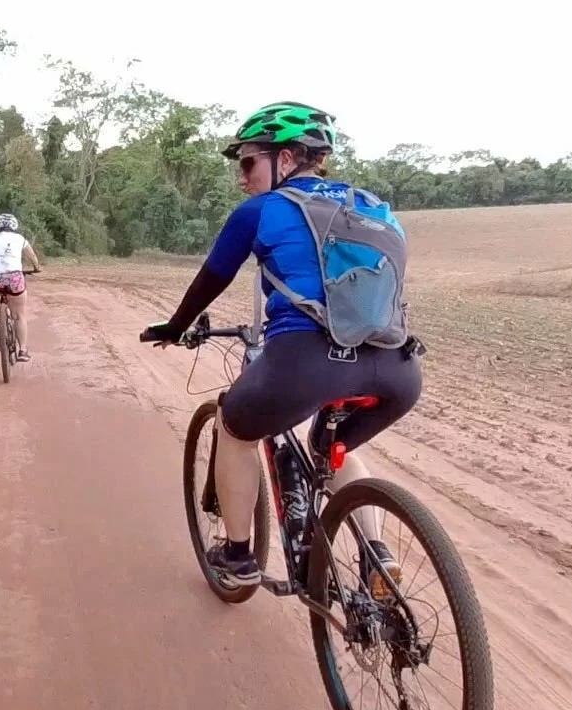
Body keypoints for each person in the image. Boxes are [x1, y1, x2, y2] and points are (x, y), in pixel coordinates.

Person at [141, 101, 423, 592]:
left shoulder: (262, 210)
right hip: (397, 368)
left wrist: (174, 327)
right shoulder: (375, 209)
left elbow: (212, 278)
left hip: (307, 363)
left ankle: (237, 556)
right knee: (331, 447)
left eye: (248, 162)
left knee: (235, 428)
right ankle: (377, 555)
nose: (241, 177)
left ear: (287, 159)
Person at [0, 212, 42, 362]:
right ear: (15, 226)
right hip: (14, 279)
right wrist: (36, 267)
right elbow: (32, 257)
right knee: (19, 315)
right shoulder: (20, 239)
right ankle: (22, 350)